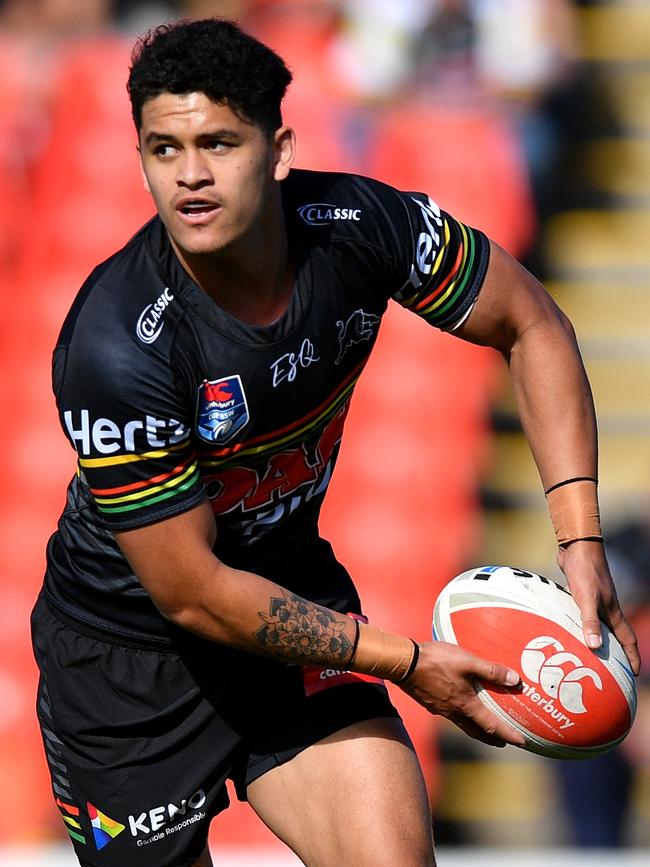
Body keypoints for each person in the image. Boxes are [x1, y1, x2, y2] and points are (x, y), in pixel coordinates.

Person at [30, 17, 639, 867]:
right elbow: (195, 593)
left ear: (279, 148)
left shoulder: (359, 226)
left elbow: (530, 320)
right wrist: (406, 659)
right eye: (162, 150)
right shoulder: (116, 344)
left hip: (289, 606)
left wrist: (581, 541)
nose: (190, 176)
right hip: (128, 670)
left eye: (218, 143)